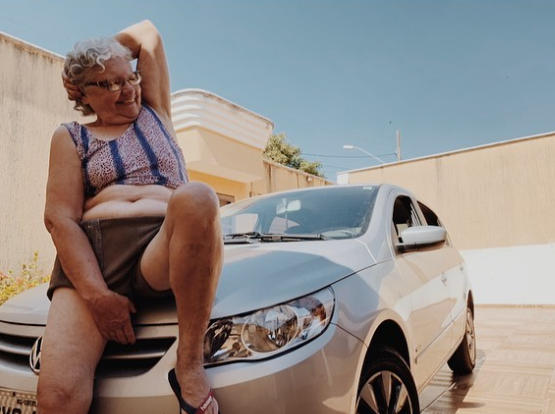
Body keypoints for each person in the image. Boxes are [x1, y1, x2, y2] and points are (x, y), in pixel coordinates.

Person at [39, 20, 223, 414]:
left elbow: (148, 34)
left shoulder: (155, 111)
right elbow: (60, 219)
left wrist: (99, 59)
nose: (127, 91)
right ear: (83, 94)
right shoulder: (70, 135)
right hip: (95, 254)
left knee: (197, 197)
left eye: (130, 77)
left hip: (161, 246)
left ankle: (189, 366)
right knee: (57, 398)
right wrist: (97, 295)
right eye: (108, 85)